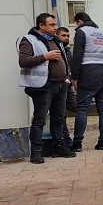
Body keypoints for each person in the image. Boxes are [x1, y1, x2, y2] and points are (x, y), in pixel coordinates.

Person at [19, 13, 75, 164]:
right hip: (43, 86)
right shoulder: (29, 40)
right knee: (39, 120)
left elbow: (65, 59)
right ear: (41, 26)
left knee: (58, 118)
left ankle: (59, 147)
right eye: (51, 25)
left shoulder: (56, 40)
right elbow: (23, 61)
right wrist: (46, 56)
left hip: (61, 85)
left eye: (55, 25)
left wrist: (67, 77)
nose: (55, 27)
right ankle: (36, 152)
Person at [70, 12, 103, 152]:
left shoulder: (82, 32)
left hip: (88, 74)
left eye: (77, 23)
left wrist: (74, 77)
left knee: (82, 109)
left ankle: (77, 144)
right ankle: (102, 143)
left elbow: (77, 56)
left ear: (80, 21)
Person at [56, 27, 76, 147]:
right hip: (58, 85)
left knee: (79, 108)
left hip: (68, 87)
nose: (67, 38)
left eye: (68, 36)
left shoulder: (68, 51)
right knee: (60, 113)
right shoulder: (55, 49)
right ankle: (65, 138)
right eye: (63, 35)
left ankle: (75, 137)